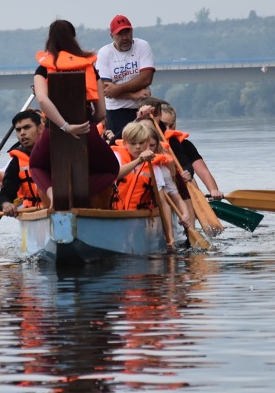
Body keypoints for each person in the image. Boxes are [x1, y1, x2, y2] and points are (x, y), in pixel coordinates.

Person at [28, 19, 121, 209]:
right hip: (85, 129)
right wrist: (87, 124)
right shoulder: (89, 67)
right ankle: (79, 193)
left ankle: (54, 193)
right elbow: (101, 111)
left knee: (36, 166)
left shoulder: (43, 67)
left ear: (50, 40)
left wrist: (65, 126)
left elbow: (43, 100)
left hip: (53, 130)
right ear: (73, 38)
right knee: (111, 168)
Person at [110, 120, 193, 248]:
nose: (137, 147)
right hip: (116, 215)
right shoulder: (116, 157)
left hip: (140, 217)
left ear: (148, 144)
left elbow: (163, 203)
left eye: (141, 143)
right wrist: (139, 160)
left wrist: (170, 239)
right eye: (133, 143)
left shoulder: (155, 169)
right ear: (125, 143)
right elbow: (115, 174)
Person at [95, 14, 156, 141]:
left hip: (142, 107)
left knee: (147, 142)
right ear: (112, 36)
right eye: (120, 34)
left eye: (127, 32)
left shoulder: (142, 46)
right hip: (116, 111)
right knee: (120, 145)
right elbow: (106, 90)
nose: (125, 37)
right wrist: (133, 95)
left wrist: (117, 89)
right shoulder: (105, 53)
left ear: (132, 31)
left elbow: (146, 78)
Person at [157, 102, 224, 199]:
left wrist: (214, 191)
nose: (168, 129)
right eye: (164, 125)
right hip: (162, 189)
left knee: (191, 179)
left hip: (184, 188)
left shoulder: (185, 145)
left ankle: (199, 207)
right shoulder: (150, 145)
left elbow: (203, 172)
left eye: (171, 126)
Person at [0, 109, 45, 217]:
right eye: (18, 130)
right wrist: (6, 204)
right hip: (31, 212)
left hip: (58, 209)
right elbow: (5, 194)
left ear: (40, 128)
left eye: (27, 127)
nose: (22, 133)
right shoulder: (17, 161)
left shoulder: (57, 153)